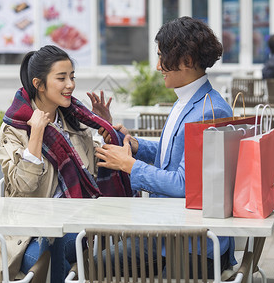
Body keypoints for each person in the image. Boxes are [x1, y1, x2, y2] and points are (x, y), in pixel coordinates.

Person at [96, 16, 236, 278]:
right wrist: (136, 145)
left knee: (95, 263)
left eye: (163, 57)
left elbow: (185, 185)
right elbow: (174, 150)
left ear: (188, 60)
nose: (158, 66)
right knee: (95, 259)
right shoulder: (190, 98)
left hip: (191, 243)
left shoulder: (210, 110)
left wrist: (130, 165)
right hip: (168, 228)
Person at [0, 45, 131, 282]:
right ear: (39, 84)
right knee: (53, 242)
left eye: (72, 77)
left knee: (68, 238)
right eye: (61, 78)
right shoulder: (15, 128)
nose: (70, 84)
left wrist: (105, 129)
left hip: (78, 222)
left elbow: (94, 177)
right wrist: (36, 133)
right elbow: (22, 187)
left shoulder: (75, 123)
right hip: (31, 235)